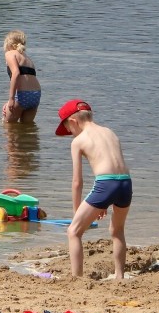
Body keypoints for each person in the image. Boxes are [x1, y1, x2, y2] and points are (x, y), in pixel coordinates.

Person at [56, 99, 131, 279]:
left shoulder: (79, 141)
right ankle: (119, 277)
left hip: (106, 184)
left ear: (73, 121)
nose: (69, 132)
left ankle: (77, 278)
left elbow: (77, 181)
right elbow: (113, 168)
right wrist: (103, 203)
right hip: (126, 183)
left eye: (68, 128)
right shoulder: (110, 132)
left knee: (73, 231)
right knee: (117, 230)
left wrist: (76, 213)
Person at [2, 30, 41, 123]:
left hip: (21, 95)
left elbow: (16, 73)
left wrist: (11, 99)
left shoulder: (10, 53)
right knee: (27, 129)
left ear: (8, 43)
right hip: (35, 96)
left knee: (8, 127)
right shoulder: (26, 57)